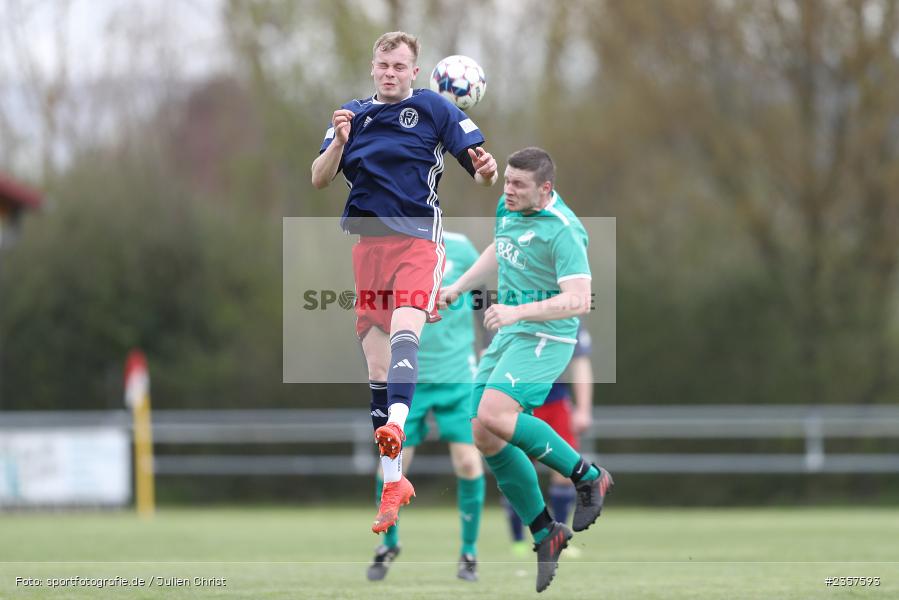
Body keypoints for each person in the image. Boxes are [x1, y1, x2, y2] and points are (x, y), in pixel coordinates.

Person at [310, 31, 498, 534]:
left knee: (405, 332)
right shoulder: (350, 115)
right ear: (373, 68)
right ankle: (394, 482)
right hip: (368, 247)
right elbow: (319, 177)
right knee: (375, 365)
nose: (390, 72)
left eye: (399, 65)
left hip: (417, 241)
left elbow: (481, 171)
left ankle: (396, 422)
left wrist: (486, 167)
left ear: (415, 72)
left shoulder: (435, 109)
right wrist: (340, 143)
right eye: (383, 64)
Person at [439, 147, 613, 593]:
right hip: (511, 336)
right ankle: (545, 532)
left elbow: (577, 300)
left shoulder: (564, 231)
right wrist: (459, 287)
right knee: (481, 431)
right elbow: (502, 249)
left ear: (546, 188)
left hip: (546, 337)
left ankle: (589, 477)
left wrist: (517, 314)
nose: (508, 190)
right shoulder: (509, 206)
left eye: (518, 185)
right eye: (507, 181)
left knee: (496, 415)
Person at [367, 231, 486, 583]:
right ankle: (387, 544)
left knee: (467, 460)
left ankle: (469, 552)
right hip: (410, 378)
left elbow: (483, 303)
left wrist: (490, 350)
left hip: (457, 373)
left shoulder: (462, 248)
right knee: (390, 464)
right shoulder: (392, 248)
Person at [504, 324, 594, 557]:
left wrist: (583, 409)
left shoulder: (568, 318)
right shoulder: (511, 309)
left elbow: (580, 362)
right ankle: (518, 542)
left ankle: (559, 539)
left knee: (566, 473)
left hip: (556, 404)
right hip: (519, 401)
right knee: (518, 473)